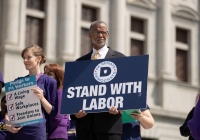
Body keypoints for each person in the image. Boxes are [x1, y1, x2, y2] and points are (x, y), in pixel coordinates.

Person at [70, 21, 125, 140]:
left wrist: (121, 107)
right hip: (85, 129)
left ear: (108, 34)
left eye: (103, 32)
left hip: (109, 128)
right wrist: (74, 113)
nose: (100, 35)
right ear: (90, 35)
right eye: (96, 32)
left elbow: (127, 89)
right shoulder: (79, 63)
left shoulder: (121, 59)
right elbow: (74, 94)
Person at [5, 45, 58, 140]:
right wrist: (8, 124)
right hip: (18, 131)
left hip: (36, 132)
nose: (25, 60)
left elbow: (53, 112)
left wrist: (42, 98)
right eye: (24, 58)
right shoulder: (18, 81)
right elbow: (9, 108)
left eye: (29, 57)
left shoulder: (50, 81)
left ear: (39, 59)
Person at [44, 63, 69, 140]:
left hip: (57, 135)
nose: (45, 76)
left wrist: (43, 128)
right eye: (45, 73)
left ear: (57, 78)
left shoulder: (60, 92)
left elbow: (57, 118)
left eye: (49, 74)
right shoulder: (47, 93)